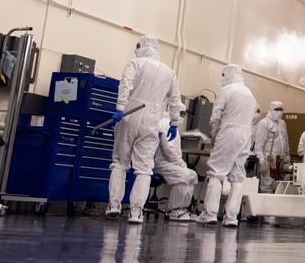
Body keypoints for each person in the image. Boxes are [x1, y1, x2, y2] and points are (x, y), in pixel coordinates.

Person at [108, 35, 182, 224]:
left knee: (120, 162)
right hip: (152, 120)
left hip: (129, 115)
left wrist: (119, 107)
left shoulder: (135, 63)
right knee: (144, 168)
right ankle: (136, 213)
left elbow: (125, 85)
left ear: (141, 46)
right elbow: (175, 99)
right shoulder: (169, 72)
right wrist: (174, 122)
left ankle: (114, 205)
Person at [196, 64, 257, 228]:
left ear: (228, 74)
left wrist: (214, 135)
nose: (222, 78)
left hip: (228, 132)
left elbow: (216, 116)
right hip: (245, 135)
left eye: (223, 75)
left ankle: (210, 214)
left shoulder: (227, 90)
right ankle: (231, 217)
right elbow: (252, 118)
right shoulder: (249, 93)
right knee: (237, 176)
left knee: (216, 173)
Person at [153, 104, 198, 221]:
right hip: (161, 163)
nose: (182, 117)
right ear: (173, 111)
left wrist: (180, 164)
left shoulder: (173, 126)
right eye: (180, 113)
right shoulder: (165, 124)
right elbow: (167, 150)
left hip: (170, 163)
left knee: (192, 174)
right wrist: (180, 164)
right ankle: (174, 210)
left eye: (184, 114)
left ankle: (183, 209)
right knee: (185, 175)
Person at [252, 101, 291, 194]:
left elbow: (285, 141)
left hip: (281, 161)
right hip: (268, 160)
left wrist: (287, 156)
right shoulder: (264, 123)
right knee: (267, 186)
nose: (279, 112)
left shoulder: (282, 123)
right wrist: (261, 160)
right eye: (276, 109)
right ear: (271, 109)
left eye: (281, 110)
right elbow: (259, 144)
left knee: (281, 187)